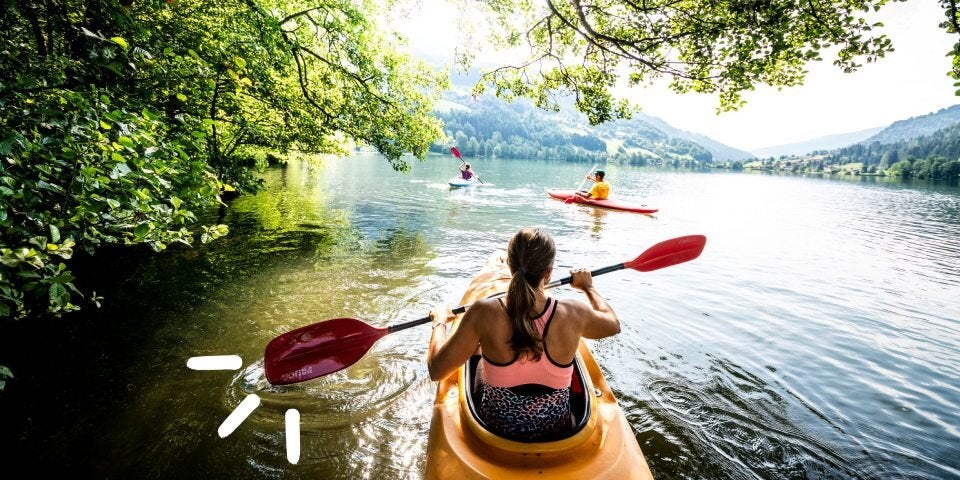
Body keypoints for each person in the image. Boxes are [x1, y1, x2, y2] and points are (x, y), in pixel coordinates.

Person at [426, 228, 622, 440]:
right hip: (557, 431)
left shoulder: (483, 312)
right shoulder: (574, 312)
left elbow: (436, 370)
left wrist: (439, 322)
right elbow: (613, 324)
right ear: (548, 273)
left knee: (476, 347)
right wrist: (588, 288)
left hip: (497, 429)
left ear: (510, 267)